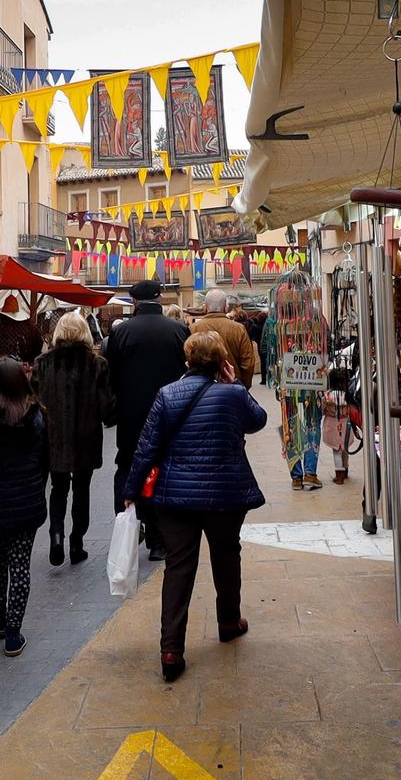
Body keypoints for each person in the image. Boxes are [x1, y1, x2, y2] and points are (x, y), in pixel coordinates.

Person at [122, 330, 267, 683]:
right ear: (221, 362)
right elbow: (259, 420)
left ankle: (171, 649)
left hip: (175, 496)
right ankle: (228, 621)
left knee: (179, 567)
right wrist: (237, 385)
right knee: (226, 555)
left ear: (187, 361)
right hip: (224, 494)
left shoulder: (168, 394)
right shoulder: (233, 394)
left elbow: (147, 446)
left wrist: (130, 490)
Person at [102, 278, 188, 561]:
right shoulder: (178, 330)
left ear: (135, 302)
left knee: (127, 466)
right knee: (161, 472)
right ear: (160, 298)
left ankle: (127, 519)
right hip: (169, 415)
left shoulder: (121, 333)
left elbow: (111, 377)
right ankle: (158, 539)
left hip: (132, 416)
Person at [0, 358, 47, 657]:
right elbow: (44, 460)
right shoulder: (36, 415)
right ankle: (14, 633)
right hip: (28, 503)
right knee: (21, 565)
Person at [32, 311, 113, 566]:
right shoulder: (96, 364)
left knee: (57, 489)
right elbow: (106, 407)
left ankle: (56, 536)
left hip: (53, 437)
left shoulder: (42, 363)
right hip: (85, 437)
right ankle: (76, 542)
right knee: (81, 490)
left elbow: (33, 401)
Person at [191, 291, 260, 389]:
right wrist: (243, 386)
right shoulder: (238, 329)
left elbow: (187, 360)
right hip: (232, 386)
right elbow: (248, 363)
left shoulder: (193, 329)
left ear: (205, 307)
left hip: (201, 388)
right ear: (226, 308)